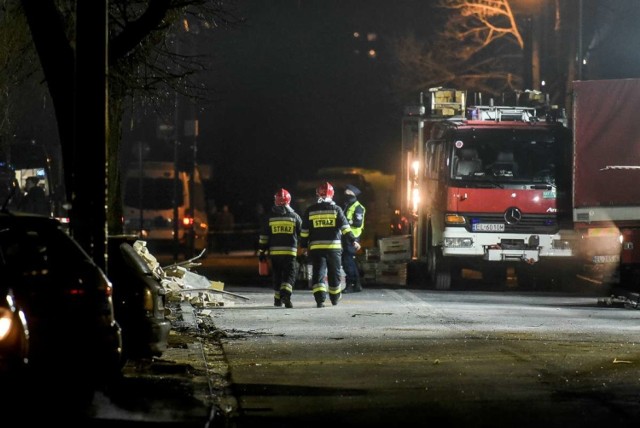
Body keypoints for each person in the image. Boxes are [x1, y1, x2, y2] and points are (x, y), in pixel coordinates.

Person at [300, 182, 359, 308]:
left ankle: (320, 300)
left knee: (318, 273)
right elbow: (346, 229)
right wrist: (353, 241)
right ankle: (334, 298)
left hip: (316, 249)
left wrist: (304, 246)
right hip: (334, 249)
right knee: (334, 273)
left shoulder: (310, 210)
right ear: (332, 195)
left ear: (317, 194)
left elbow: (304, 231)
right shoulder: (337, 210)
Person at [258, 188, 302, 308]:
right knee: (290, 274)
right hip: (290, 252)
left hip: (275, 253)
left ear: (276, 201)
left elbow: (263, 237)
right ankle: (286, 294)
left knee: (277, 275)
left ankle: (277, 300)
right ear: (289, 200)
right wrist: (304, 248)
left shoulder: (269, 218)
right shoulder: (295, 217)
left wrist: (262, 251)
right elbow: (303, 234)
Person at [341, 184, 366, 293]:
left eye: (348, 194)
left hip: (353, 237)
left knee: (347, 261)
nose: (345, 195)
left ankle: (351, 284)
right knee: (350, 261)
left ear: (353, 194)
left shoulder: (358, 207)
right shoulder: (348, 205)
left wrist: (346, 221)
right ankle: (357, 285)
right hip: (347, 237)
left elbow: (358, 222)